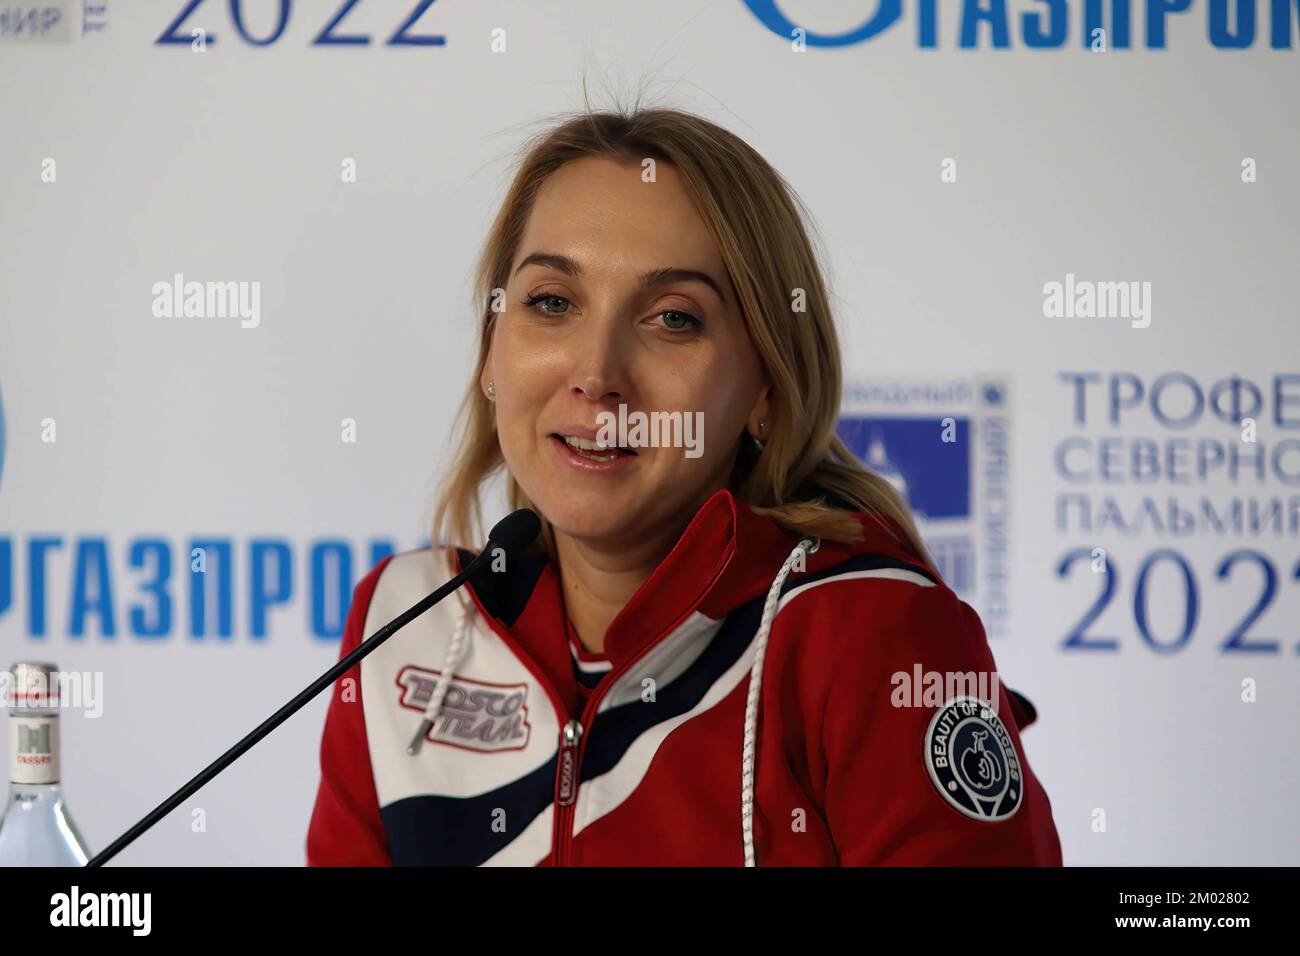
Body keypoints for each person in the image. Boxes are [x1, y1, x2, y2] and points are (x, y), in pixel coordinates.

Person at [306, 105, 1063, 866]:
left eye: (673, 318)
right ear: (490, 353)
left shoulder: (873, 630)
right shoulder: (406, 624)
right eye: (551, 303)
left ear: (768, 385)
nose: (598, 374)